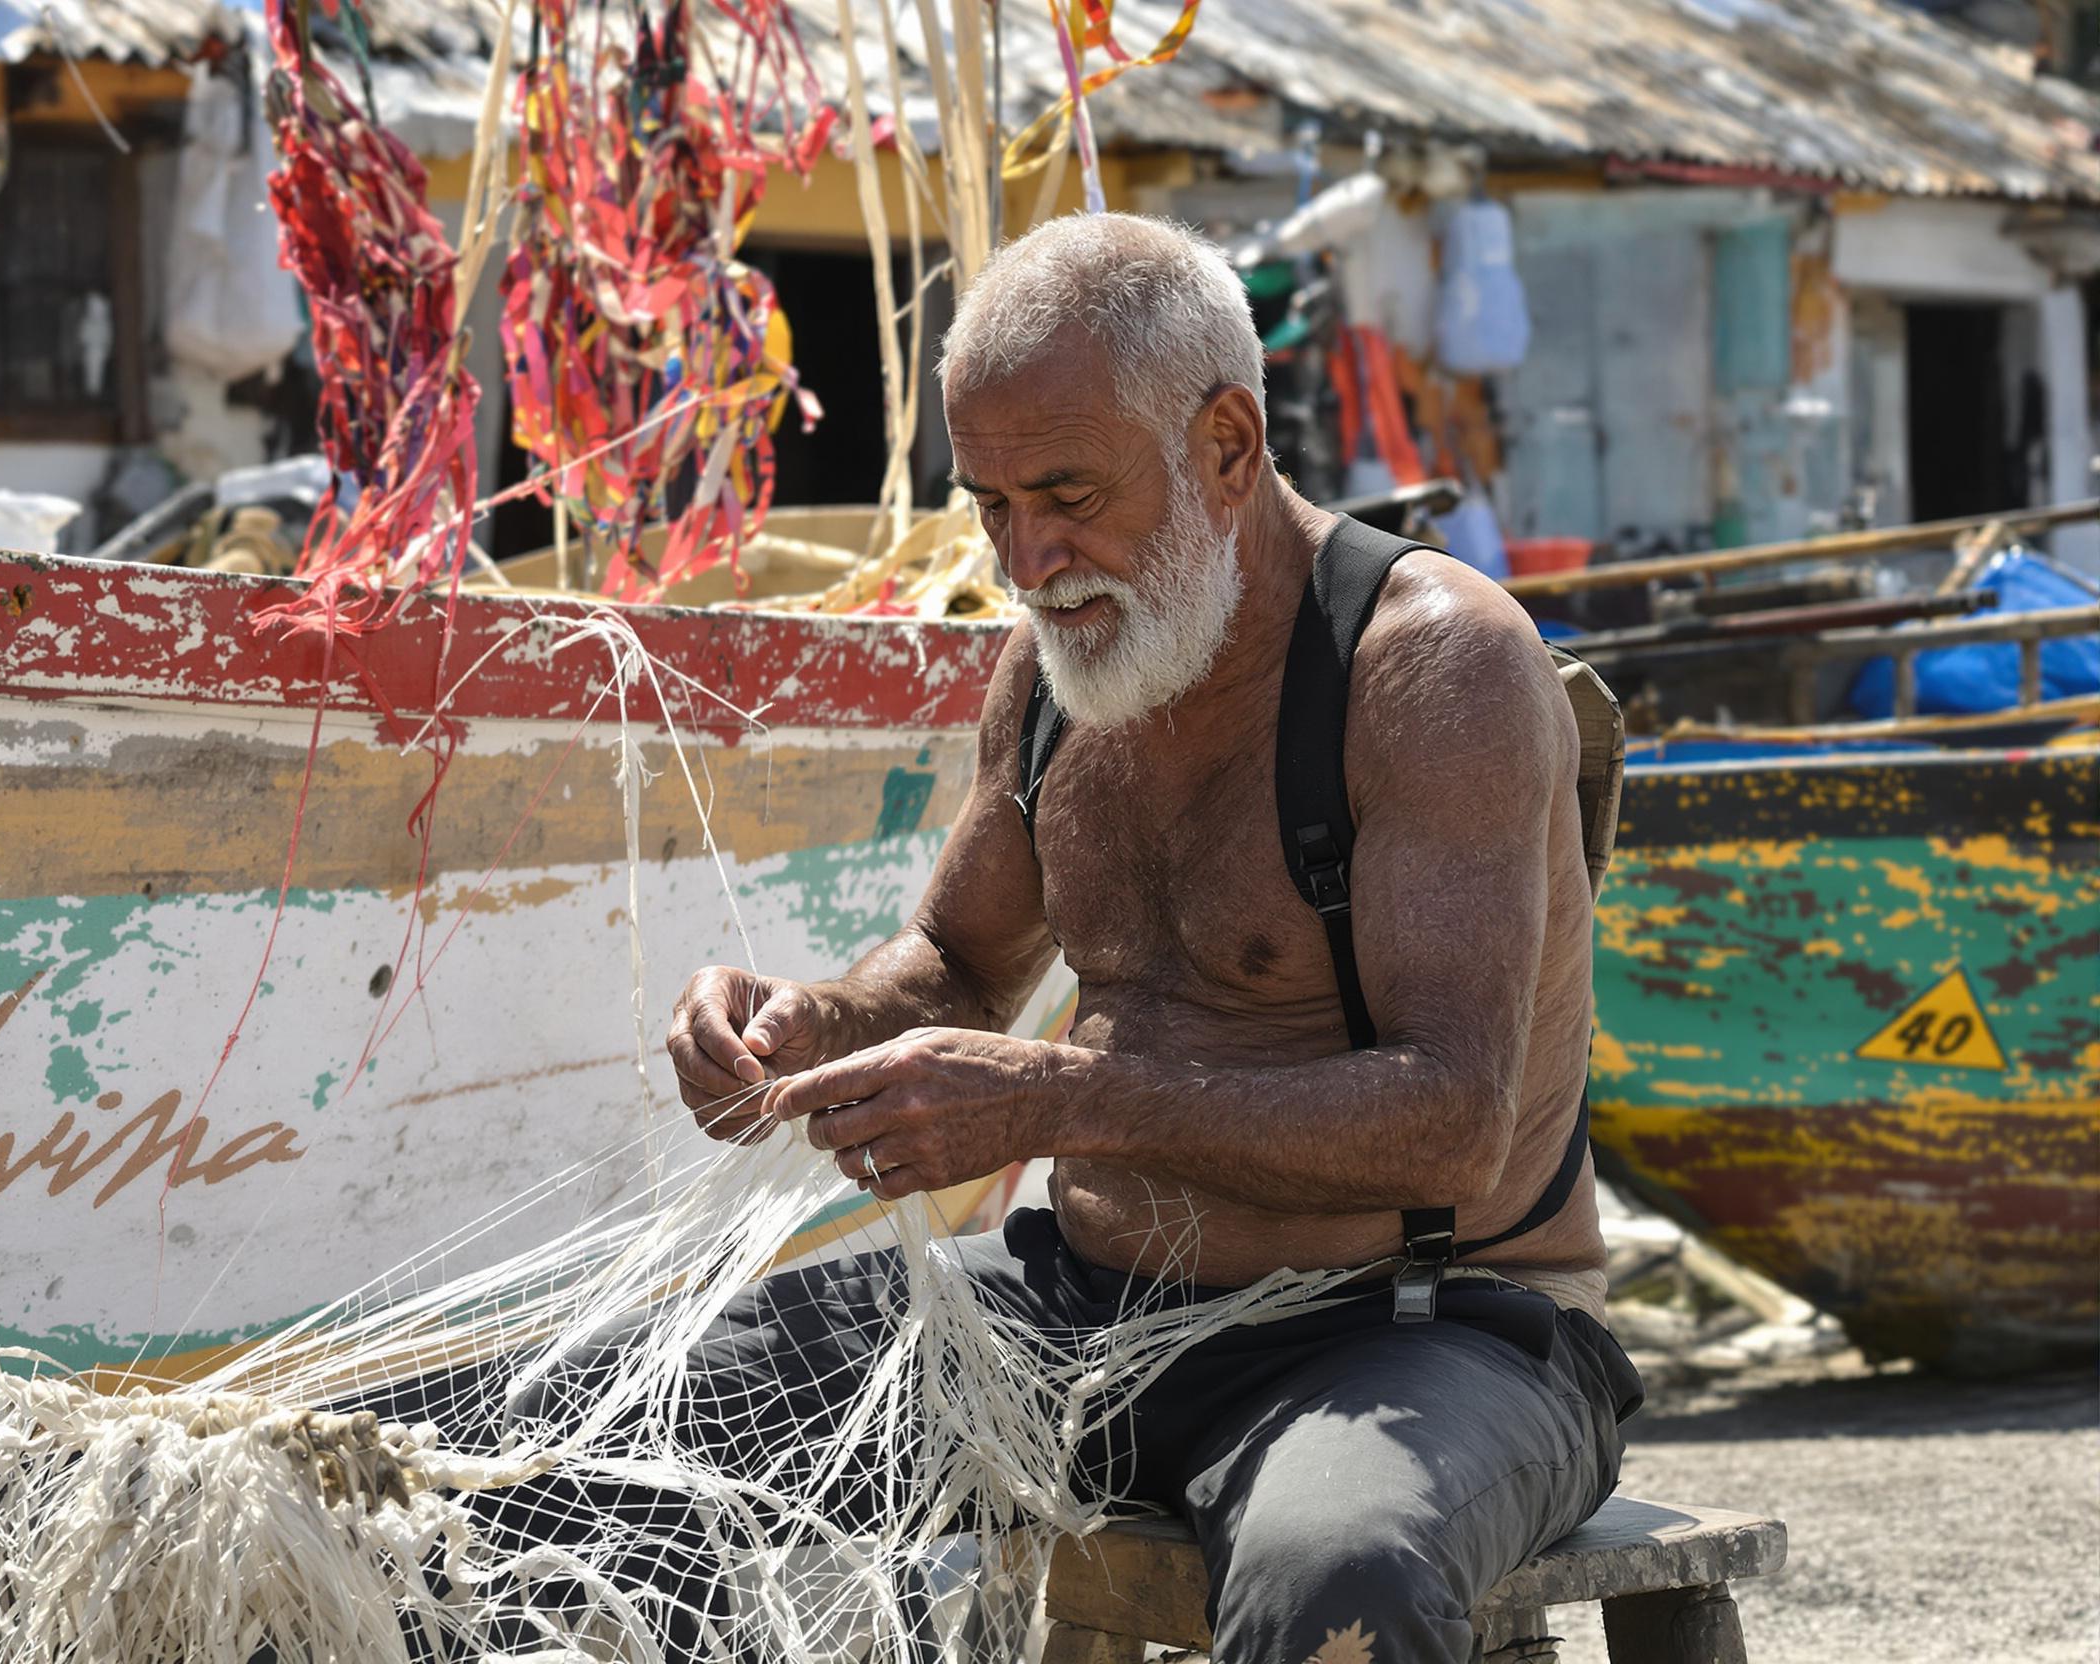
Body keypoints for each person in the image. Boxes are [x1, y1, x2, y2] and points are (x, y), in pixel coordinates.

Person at [662, 212, 1642, 1664]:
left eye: (1066, 492)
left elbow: (1453, 1126)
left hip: (1422, 1327)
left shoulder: (1432, 664)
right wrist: (807, 1026)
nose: (1027, 558)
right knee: (583, 1438)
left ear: (1229, 446)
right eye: (990, 503)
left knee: (1339, 1573)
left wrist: (1056, 1100)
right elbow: (952, 964)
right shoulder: (1057, 670)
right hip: (1087, 1306)